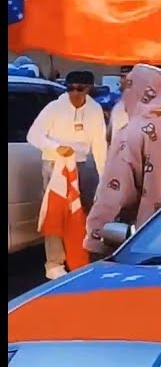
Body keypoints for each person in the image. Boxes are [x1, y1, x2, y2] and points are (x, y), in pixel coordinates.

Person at [85, 64, 161, 255]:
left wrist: (96, 236)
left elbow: (116, 191)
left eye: (127, 88)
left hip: (137, 244)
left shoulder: (131, 131)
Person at [26, 70, 107, 279]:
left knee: (83, 212)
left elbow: (99, 145)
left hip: (82, 164)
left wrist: (105, 176)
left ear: (89, 89)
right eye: (70, 88)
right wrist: (56, 147)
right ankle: (54, 263)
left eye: (79, 89)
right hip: (55, 163)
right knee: (55, 211)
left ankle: (80, 257)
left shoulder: (95, 110)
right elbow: (33, 135)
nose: (74, 93)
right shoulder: (54, 108)